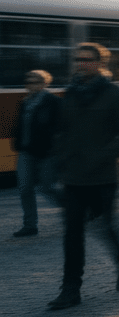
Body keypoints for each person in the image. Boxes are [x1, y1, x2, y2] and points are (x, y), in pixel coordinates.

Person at [48, 43, 119, 310]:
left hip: (103, 176)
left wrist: (101, 156)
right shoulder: (71, 93)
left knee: (105, 225)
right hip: (73, 177)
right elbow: (62, 131)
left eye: (87, 59)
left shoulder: (114, 93)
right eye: (78, 59)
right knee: (72, 234)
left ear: (100, 63)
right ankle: (70, 289)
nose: (81, 63)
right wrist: (60, 157)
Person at [12, 70, 62, 238]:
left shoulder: (53, 102)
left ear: (44, 84)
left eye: (34, 81)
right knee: (25, 188)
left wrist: (53, 147)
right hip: (26, 152)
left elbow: (59, 128)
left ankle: (75, 211)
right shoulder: (25, 102)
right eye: (28, 81)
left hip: (46, 153)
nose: (30, 85)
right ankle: (30, 225)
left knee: (47, 188)